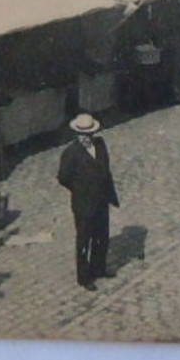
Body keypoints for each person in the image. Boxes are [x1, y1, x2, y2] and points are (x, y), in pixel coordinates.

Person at [56, 114, 119, 291]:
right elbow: (63, 178)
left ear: (93, 133)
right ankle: (84, 277)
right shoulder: (70, 153)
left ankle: (99, 268)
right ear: (76, 133)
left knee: (102, 237)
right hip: (84, 204)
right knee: (84, 240)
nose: (84, 138)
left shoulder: (100, 145)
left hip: (101, 200)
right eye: (80, 134)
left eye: (88, 134)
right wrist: (79, 189)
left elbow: (105, 169)